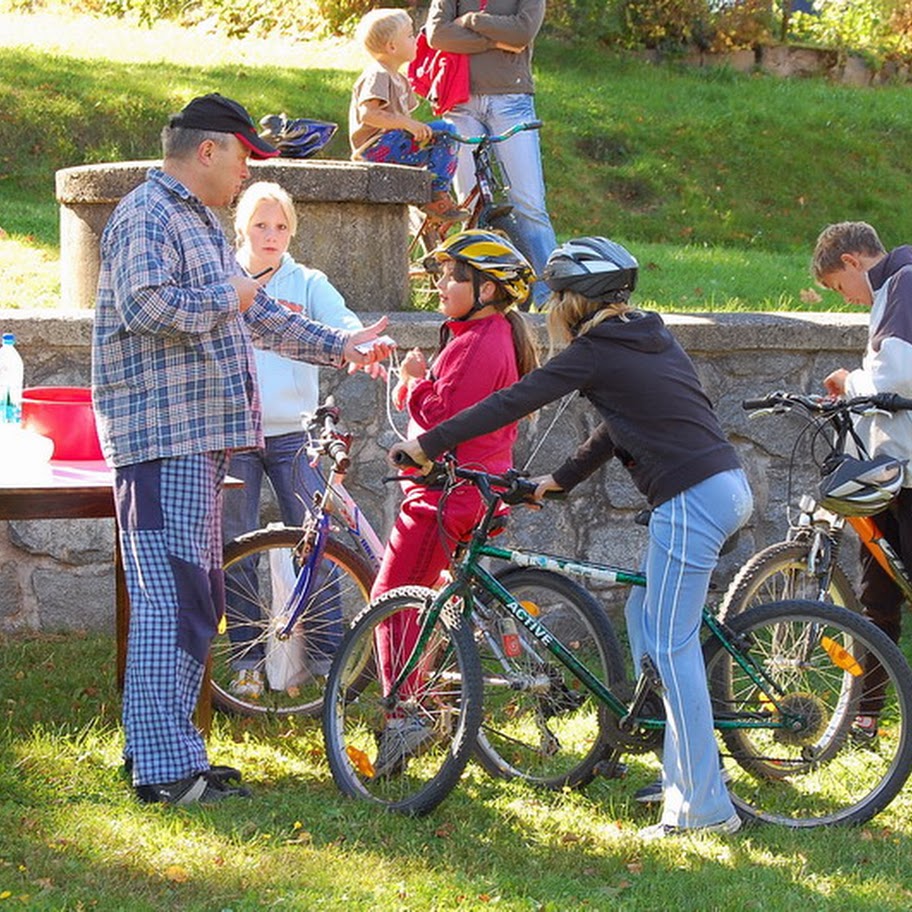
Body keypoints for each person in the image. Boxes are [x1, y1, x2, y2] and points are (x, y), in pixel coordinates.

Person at [390, 237, 753, 837]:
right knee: (645, 618)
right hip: (723, 486)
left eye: (555, 296)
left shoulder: (595, 350)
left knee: (671, 647)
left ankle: (706, 808)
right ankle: (678, 775)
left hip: (691, 499)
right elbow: (619, 425)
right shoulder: (647, 333)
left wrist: (427, 443)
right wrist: (556, 481)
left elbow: (511, 401)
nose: (550, 307)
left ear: (575, 302)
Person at [92, 92, 392, 806]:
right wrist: (232, 298)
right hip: (164, 443)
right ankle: (166, 772)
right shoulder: (148, 214)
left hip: (193, 445)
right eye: (243, 157)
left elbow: (259, 317)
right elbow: (147, 306)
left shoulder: (193, 221)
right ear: (208, 150)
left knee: (188, 599)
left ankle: (165, 757)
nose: (246, 174)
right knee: (174, 600)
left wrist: (341, 346)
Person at [371, 228, 538, 775]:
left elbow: (445, 420)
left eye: (452, 277)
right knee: (434, 608)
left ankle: (404, 715)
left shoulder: (477, 341)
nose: (441, 284)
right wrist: (415, 388)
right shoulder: (487, 336)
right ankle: (429, 703)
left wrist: (415, 381)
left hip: (449, 497)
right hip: (472, 491)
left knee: (391, 600)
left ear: (486, 290)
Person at [222, 180, 365, 699]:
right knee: (236, 549)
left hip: (294, 436)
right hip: (234, 435)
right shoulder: (224, 277)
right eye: (261, 224)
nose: (272, 234)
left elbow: (342, 322)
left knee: (315, 543)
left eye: (281, 226)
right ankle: (246, 660)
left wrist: (358, 341)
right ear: (242, 226)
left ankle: (329, 657)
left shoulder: (307, 282)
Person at [812, 220, 912, 739]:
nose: (843, 297)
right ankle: (866, 716)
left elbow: (897, 375)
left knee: (883, 599)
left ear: (853, 261)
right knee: (877, 600)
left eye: (836, 285)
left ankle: (870, 716)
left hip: (907, 472)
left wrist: (849, 381)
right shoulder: (893, 289)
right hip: (891, 471)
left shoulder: (903, 280)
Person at [425, 0, 557, 306]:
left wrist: (471, 20)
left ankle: (552, 297)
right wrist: (497, 39)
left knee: (528, 202)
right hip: (460, 102)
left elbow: (522, 33)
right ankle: (465, 293)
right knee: (467, 204)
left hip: (512, 99)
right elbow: (437, 35)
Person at [350, 8, 468, 222]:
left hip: (391, 145)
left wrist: (415, 128)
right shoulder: (378, 74)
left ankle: (432, 194)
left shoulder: (399, 79)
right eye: (410, 35)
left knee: (440, 137)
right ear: (392, 46)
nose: (415, 40)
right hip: (374, 148)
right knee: (447, 131)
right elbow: (368, 114)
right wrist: (407, 124)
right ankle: (436, 193)